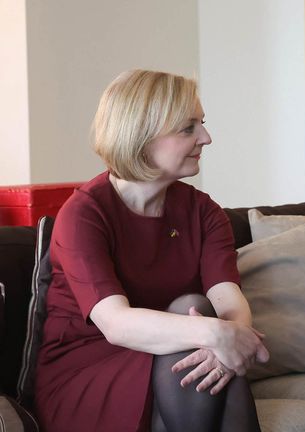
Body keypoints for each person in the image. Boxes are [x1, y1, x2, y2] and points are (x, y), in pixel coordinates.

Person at [34, 70, 269, 432]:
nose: (206, 138)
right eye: (188, 128)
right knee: (192, 332)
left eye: (202, 124)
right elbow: (116, 323)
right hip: (90, 370)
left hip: (172, 361)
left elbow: (228, 299)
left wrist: (231, 343)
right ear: (141, 136)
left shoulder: (204, 212)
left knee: (194, 312)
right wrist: (219, 336)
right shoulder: (84, 214)